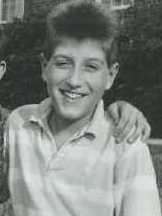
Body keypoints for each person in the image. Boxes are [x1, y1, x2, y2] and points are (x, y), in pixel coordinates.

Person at [4, 1, 160, 216]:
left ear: (111, 76)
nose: (75, 80)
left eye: (91, 67)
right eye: (63, 63)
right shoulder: (18, 124)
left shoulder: (126, 144)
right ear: (44, 67)